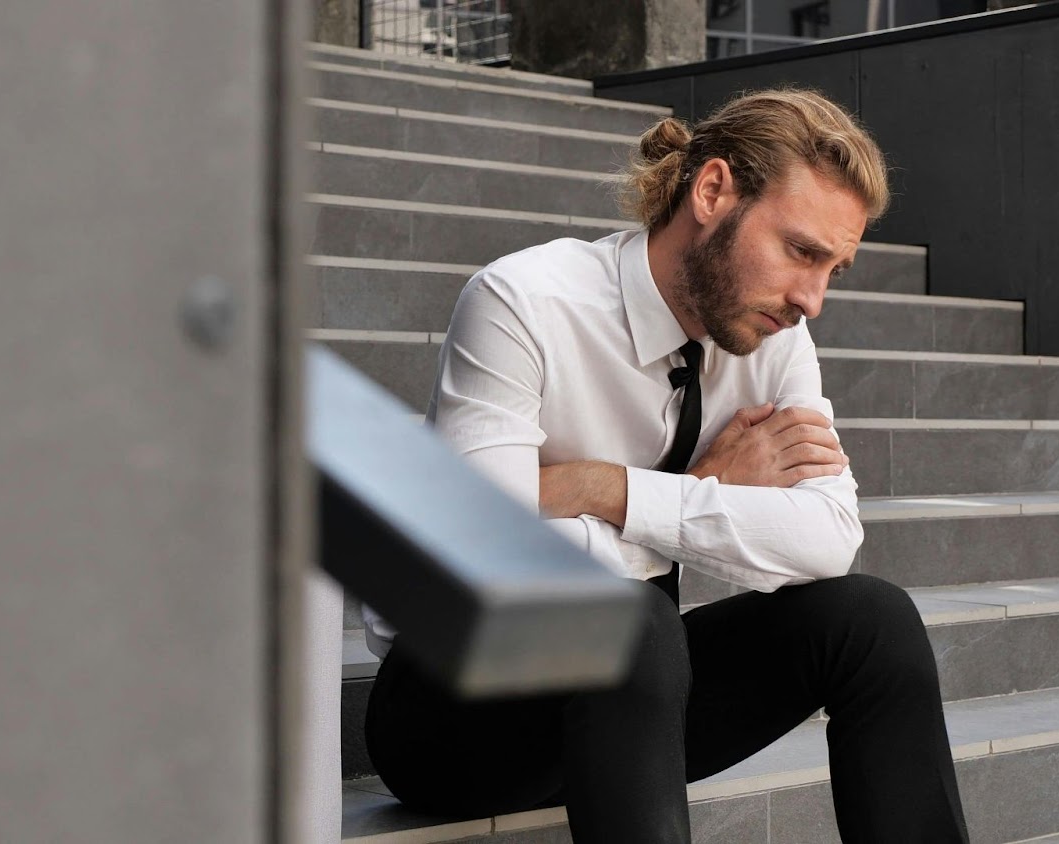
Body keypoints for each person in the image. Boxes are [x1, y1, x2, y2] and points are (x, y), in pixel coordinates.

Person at [362, 88, 970, 842]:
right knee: (631, 618)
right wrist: (693, 495)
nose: (811, 299)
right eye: (801, 251)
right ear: (713, 191)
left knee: (873, 622)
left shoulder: (777, 341)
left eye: (833, 270)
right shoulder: (525, 302)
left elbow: (827, 538)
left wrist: (604, 490)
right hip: (451, 714)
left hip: (636, 705)